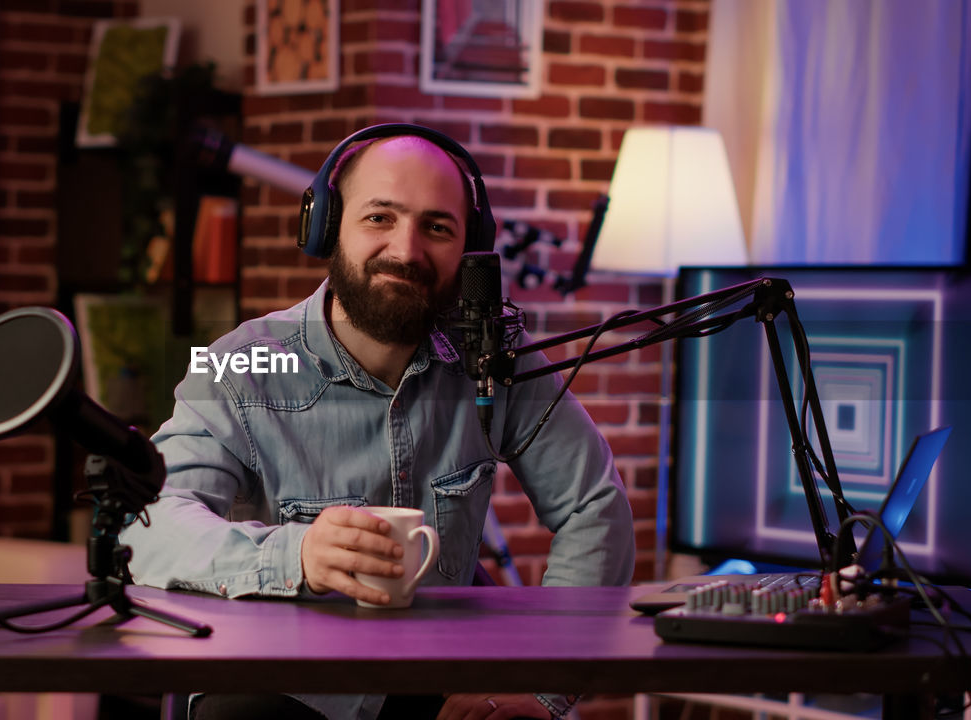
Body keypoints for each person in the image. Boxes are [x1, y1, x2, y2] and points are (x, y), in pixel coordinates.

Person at [122, 124, 635, 720]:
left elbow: (594, 506)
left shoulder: (497, 356)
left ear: (470, 249)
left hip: (440, 678)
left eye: (436, 227)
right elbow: (146, 525)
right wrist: (299, 557)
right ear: (327, 227)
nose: (407, 250)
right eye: (380, 218)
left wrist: (541, 686)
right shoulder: (243, 364)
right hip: (282, 685)